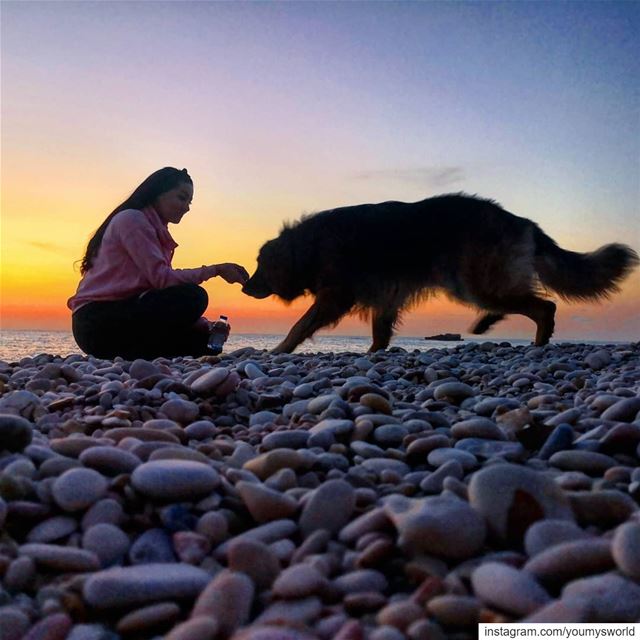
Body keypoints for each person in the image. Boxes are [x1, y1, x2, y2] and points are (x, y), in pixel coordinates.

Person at [68, 167, 249, 359]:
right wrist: (216, 270)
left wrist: (206, 325)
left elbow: (155, 293)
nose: (187, 207)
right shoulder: (132, 219)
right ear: (157, 194)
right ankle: (137, 351)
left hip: (127, 315)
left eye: (189, 202)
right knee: (194, 296)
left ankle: (141, 354)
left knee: (204, 343)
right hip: (96, 321)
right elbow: (162, 280)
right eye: (181, 198)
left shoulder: (157, 232)